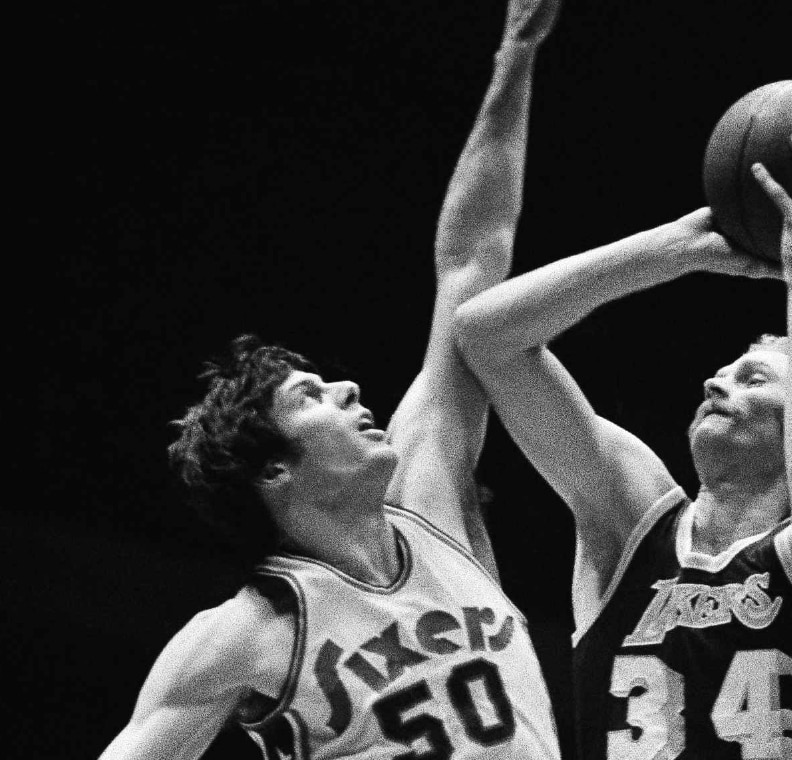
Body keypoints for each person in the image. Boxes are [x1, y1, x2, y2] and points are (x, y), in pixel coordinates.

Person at [100, 2, 563, 758]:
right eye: (310, 397)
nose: (350, 391)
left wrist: (515, 56)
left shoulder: (431, 501)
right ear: (274, 469)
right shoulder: (248, 631)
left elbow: (472, 263)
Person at [455, 126, 792, 759]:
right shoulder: (633, 516)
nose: (715, 381)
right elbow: (485, 336)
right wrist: (670, 250)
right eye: (727, 369)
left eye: (752, 376)